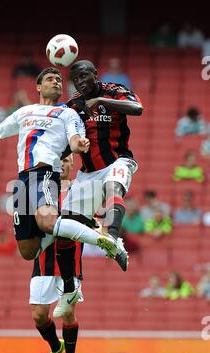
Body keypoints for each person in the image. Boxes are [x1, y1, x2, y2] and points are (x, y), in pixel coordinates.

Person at [0, 67, 115, 305]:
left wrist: (78, 143)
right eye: (50, 79)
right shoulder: (24, 112)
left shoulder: (67, 114)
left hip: (44, 174)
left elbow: (74, 139)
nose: (56, 82)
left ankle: (102, 240)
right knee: (28, 251)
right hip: (22, 183)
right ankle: (71, 232)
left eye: (59, 80)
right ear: (38, 87)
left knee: (48, 221)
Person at [63, 60, 143, 274]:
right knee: (66, 229)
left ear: (95, 74)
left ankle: (114, 238)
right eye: (76, 79)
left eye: (83, 76)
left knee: (113, 187)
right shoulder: (74, 105)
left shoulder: (114, 90)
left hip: (118, 160)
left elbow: (137, 108)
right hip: (88, 173)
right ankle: (72, 287)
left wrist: (101, 101)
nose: (80, 82)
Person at [30, 155, 82, 353]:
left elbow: (94, 220)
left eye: (68, 160)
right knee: (39, 316)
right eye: (60, 160)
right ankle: (54, 346)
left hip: (70, 263)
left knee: (68, 313)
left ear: (73, 164)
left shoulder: (81, 190)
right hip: (43, 262)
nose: (63, 164)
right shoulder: (43, 191)